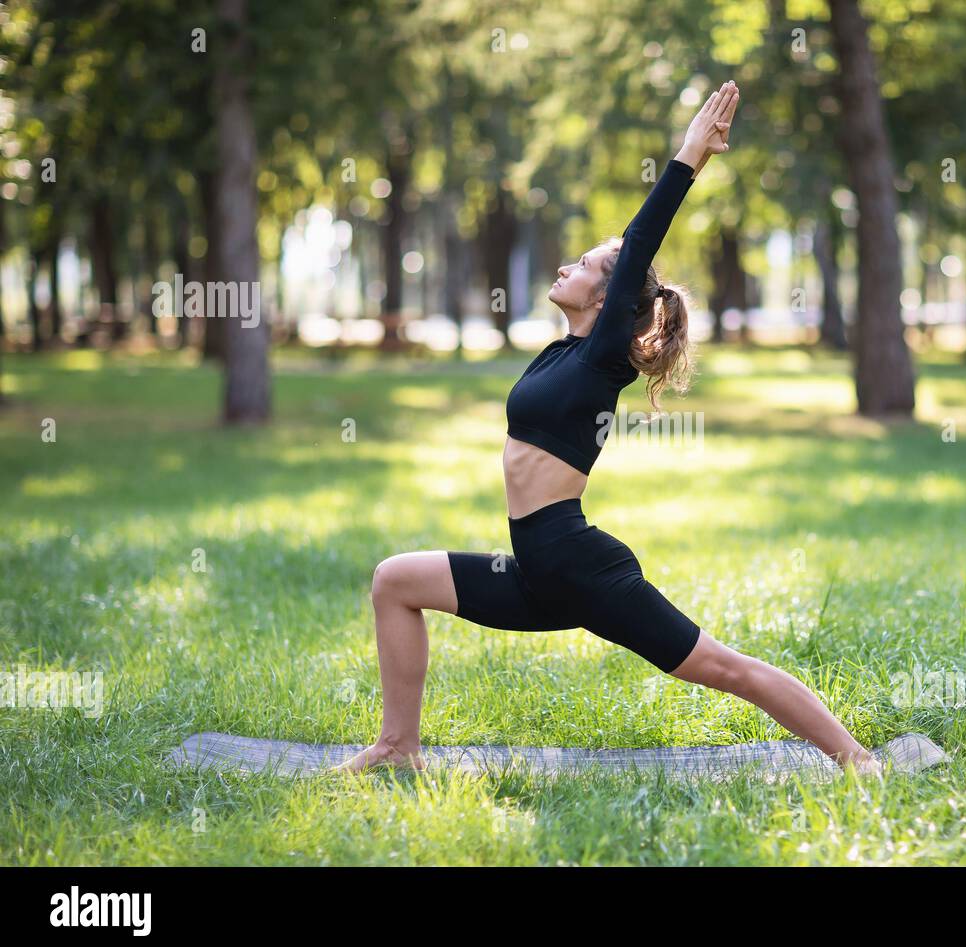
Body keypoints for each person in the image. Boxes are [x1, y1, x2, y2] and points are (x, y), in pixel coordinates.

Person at [337, 81, 883, 779]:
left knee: (721, 668)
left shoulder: (599, 361)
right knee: (394, 581)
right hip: (534, 568)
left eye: (587, 266)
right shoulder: (562, 351)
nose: (566, 265)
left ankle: (858, 761)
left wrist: (690, 155)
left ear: (609, 295)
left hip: (580, 565)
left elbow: (640, 245)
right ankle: (397, 747)